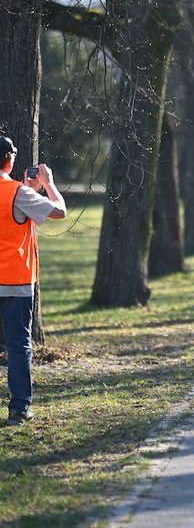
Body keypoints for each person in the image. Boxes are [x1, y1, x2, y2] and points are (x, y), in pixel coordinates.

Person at [0, 135, 67, 426]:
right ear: (10, 159)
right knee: (17, 345)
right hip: (14, 281)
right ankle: (18, 408)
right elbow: (60, 211)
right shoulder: (17, 193)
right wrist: (48, 183)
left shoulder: (19, 192)